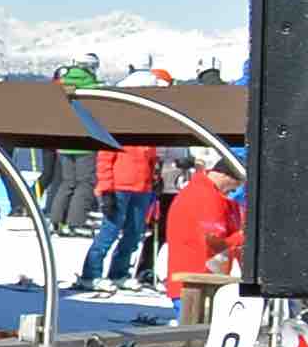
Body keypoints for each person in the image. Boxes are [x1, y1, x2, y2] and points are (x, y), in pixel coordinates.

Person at [77, 126, 163, 289]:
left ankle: (119, 273)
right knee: (110, 230)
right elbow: (104, 161)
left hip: (142, 188)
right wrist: (106, 189)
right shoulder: (117, 131)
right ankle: (90, 274)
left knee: (135, 233)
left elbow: (151, 159)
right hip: (119, 188)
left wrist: (155, 178)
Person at [160, 150, 245, 312]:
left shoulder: (215, 197)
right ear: (226, 176)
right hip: (195, 285)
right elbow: (213, 244)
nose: (234, 192)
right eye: (235, 187)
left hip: (206, 284)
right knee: (194, 335)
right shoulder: (204, 197)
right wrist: (242, 237)